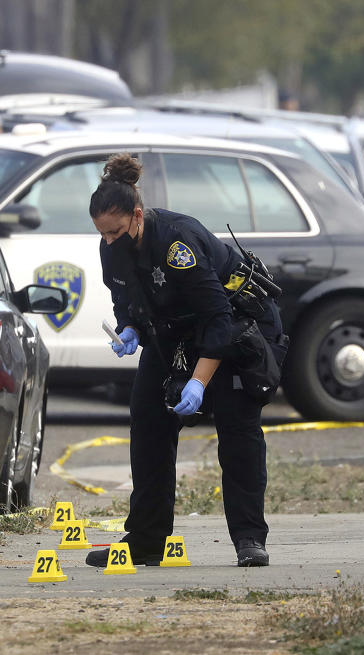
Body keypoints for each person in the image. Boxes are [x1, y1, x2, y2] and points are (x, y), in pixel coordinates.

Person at [86, 153, 286, 568]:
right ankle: (145, 541)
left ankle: (250, 539)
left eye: (117, 231)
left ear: (138, 216)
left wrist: (198, 382)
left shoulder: (178, 243)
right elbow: (126, 299)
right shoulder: (112, 248)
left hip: (236, 329)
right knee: (148, 421)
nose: (110, 241)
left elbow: (219, 319)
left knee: (237, 428)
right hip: (175, 337)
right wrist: (130, 330)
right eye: (102, 234)